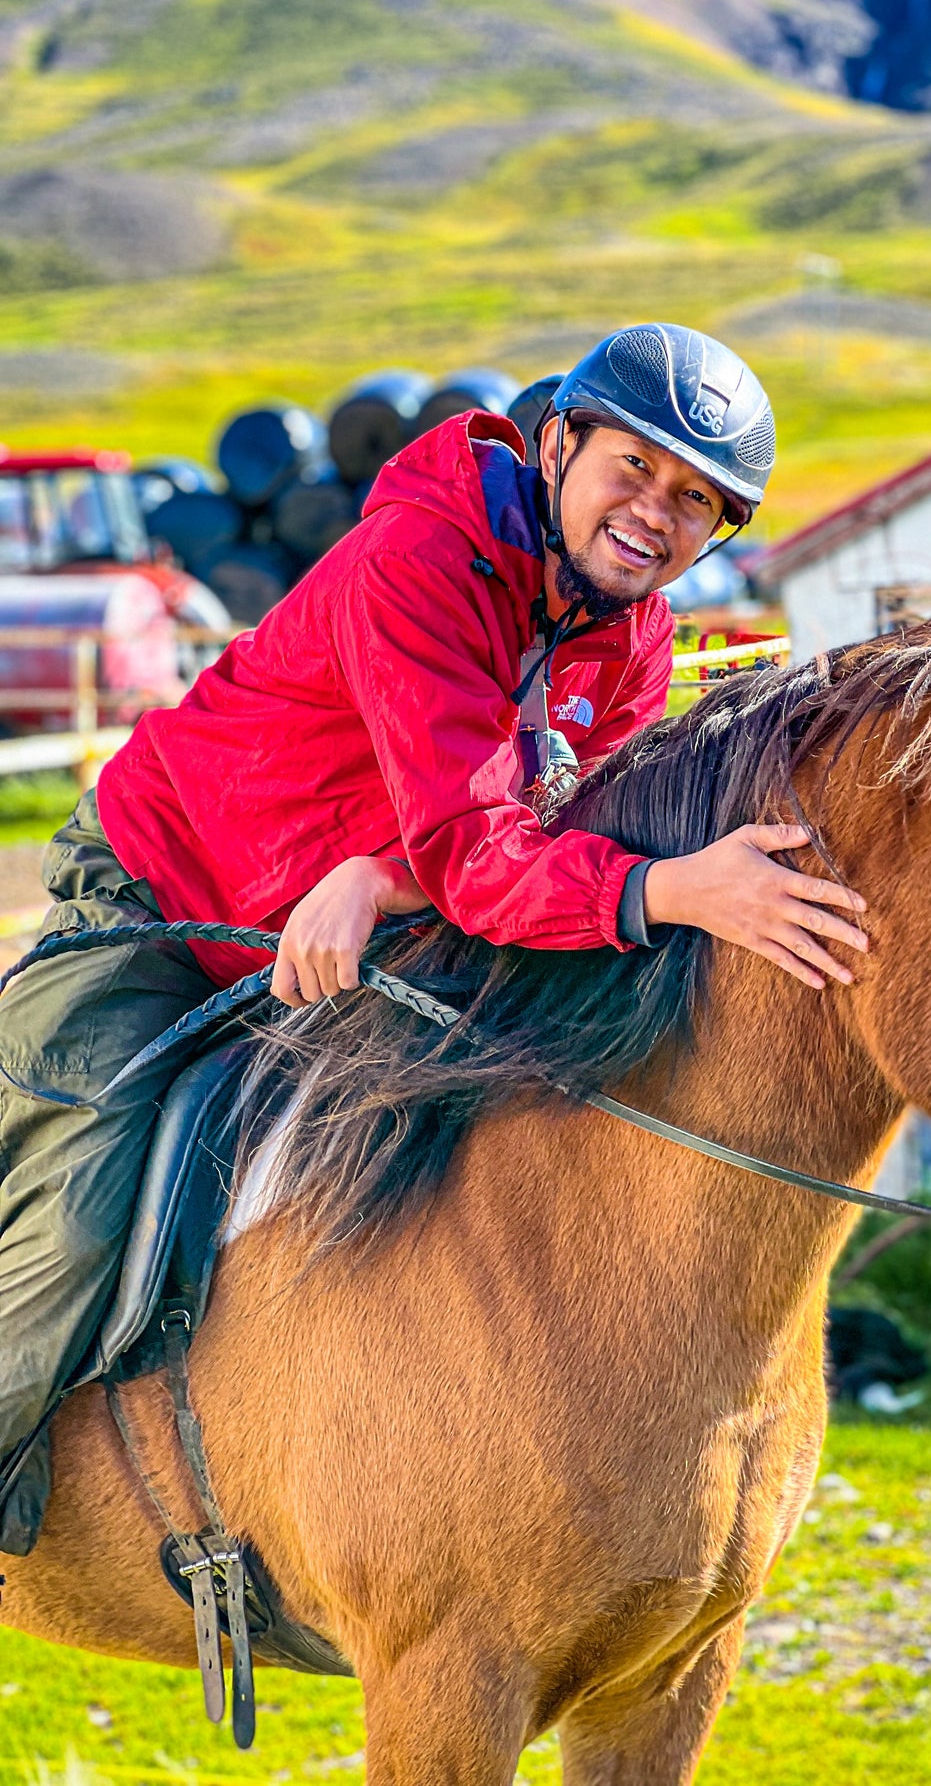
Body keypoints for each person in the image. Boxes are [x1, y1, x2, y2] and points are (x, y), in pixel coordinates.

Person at [0, 324, 868, 1553]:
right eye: (634, 468)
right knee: (77, 1208)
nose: (655, 516)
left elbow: (536, 823)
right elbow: (483, 849)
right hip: (166, 888)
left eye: (697, 504)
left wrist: (377, 874)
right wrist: (679, 890)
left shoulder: (633, 638)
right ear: (556, 440)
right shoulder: (419, 556)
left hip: (344, 925)